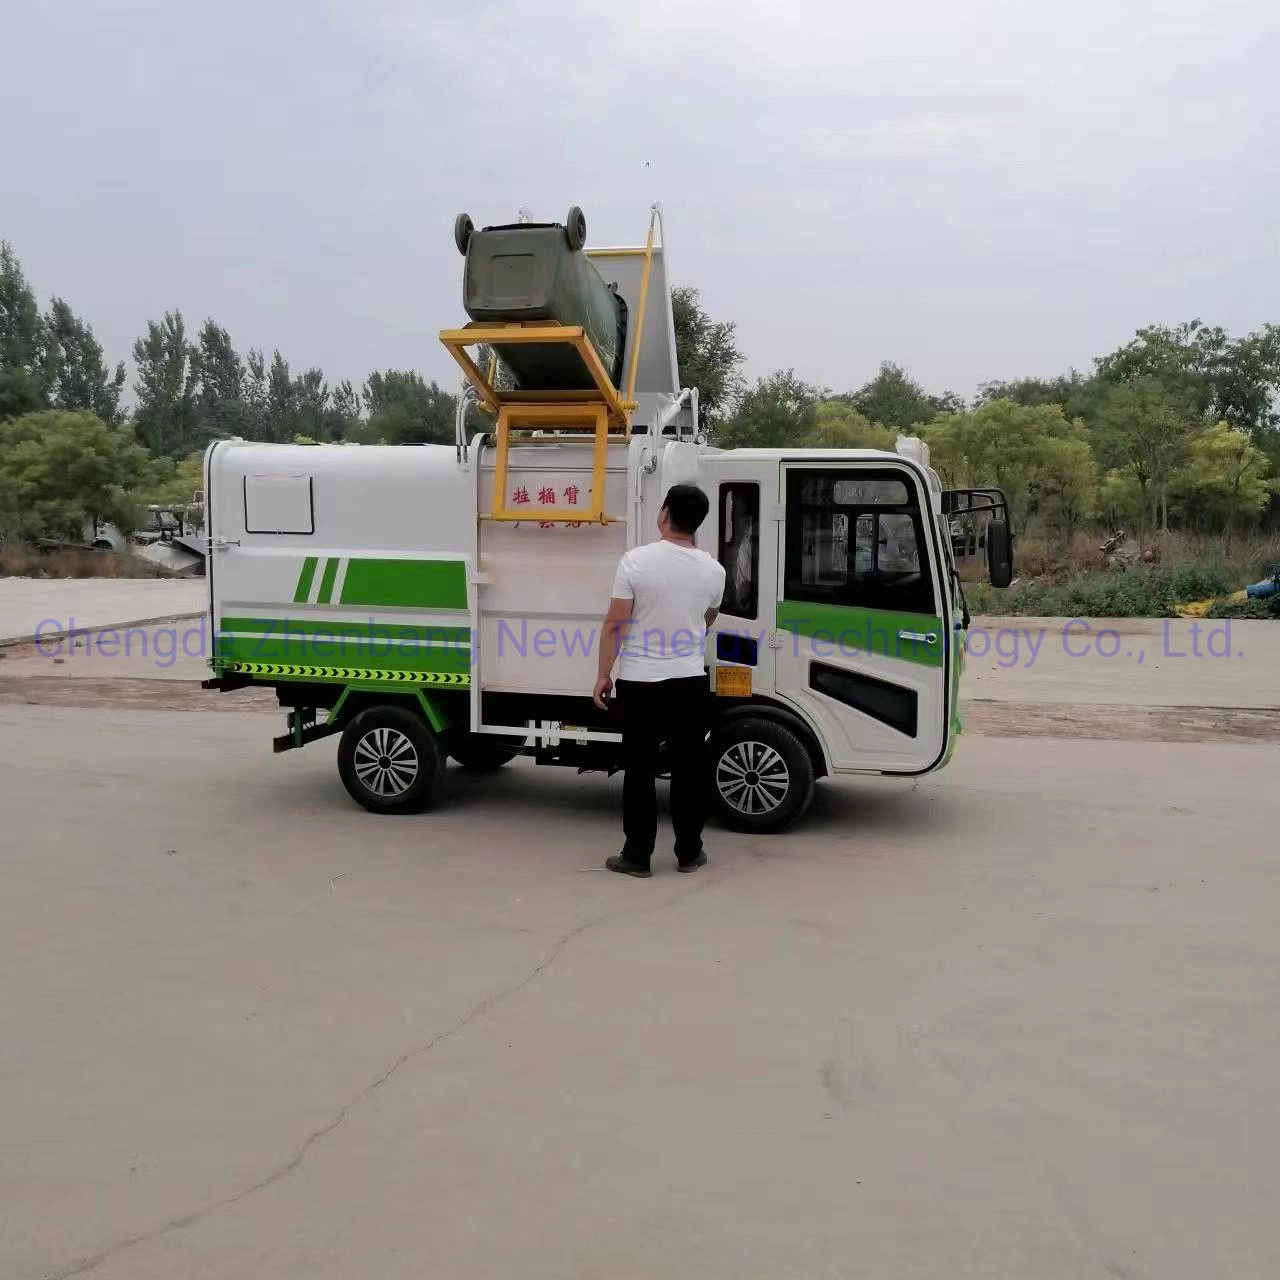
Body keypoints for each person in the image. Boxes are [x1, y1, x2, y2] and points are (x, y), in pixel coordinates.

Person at [593, 484, 726, 877]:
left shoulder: (636, 561)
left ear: (664, 513)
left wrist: (603, 674)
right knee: (688, 768)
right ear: (697, 523)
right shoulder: (713, 570)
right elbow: (708, 617)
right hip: (688, 681)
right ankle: (689, 853)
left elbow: (616, 623)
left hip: (639, 683)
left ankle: (637, 856)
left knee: (640, 770)